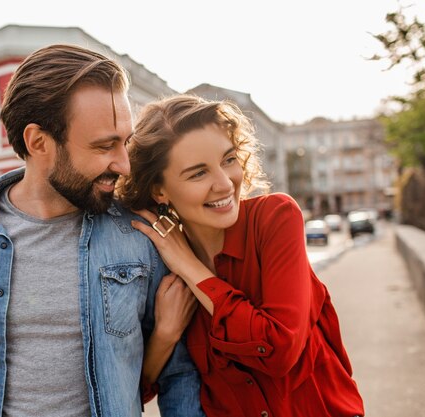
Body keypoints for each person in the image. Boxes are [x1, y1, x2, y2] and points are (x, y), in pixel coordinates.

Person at [0, 45, 204, 417]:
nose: (124, 165)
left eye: (124, 142)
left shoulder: (140, 233)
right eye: (103, 146)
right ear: (38, 142)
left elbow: (180, 372)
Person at [120, 94, 365, 417]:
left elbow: (279, 349)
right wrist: (166, 334)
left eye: (229, 159)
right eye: (198, 173)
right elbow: (135, 391)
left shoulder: (275, 217)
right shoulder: (157, 264)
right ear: (159, 190)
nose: (224, 184)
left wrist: (192, 269)